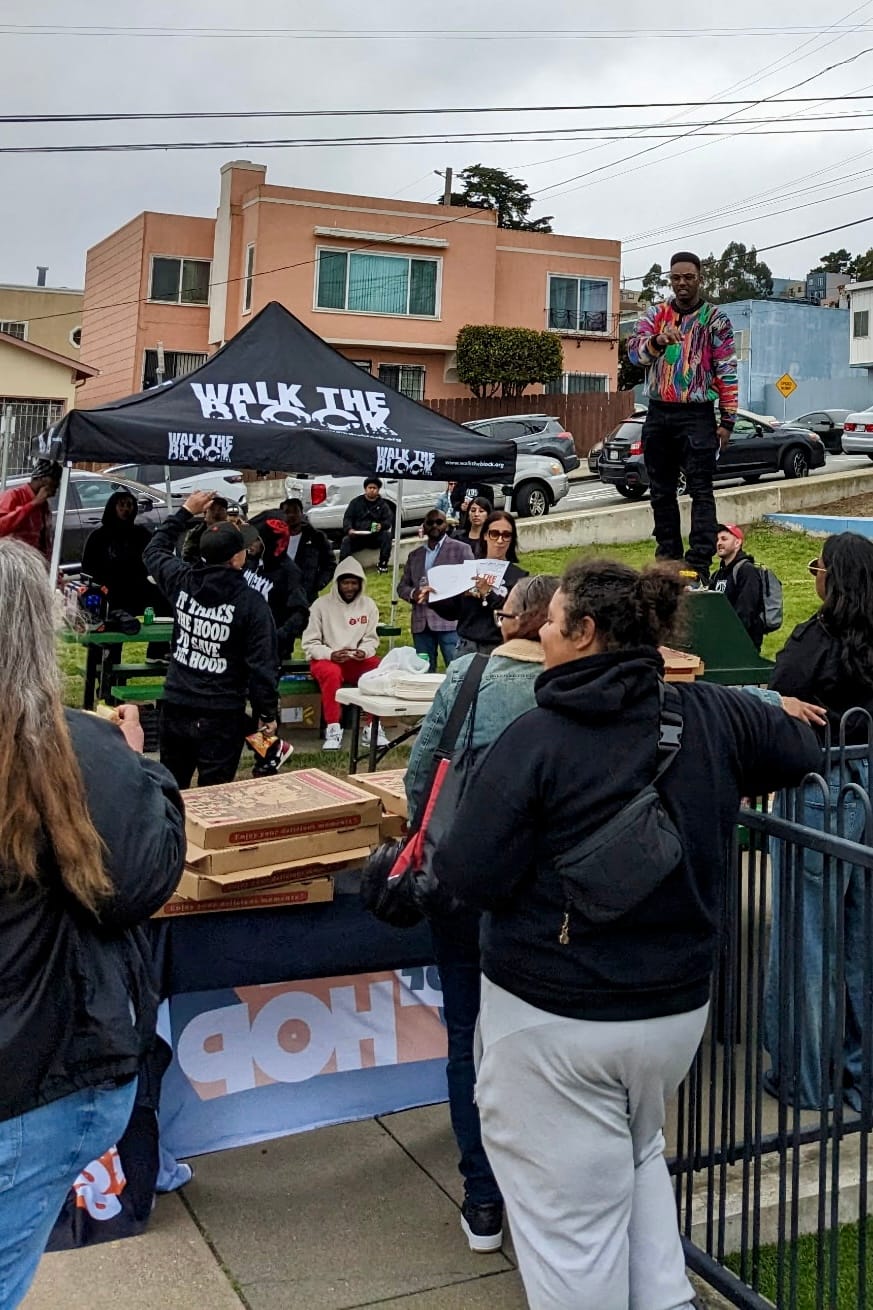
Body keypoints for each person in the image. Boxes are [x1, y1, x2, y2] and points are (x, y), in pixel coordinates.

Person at [432, 556, 819, 1310]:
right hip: (671, 1016)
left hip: (557, 1019)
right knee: (637, 1158)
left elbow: (466, 876)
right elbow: (799, 749)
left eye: (550, 620)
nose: (537, 631)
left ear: (583, 634)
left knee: (569, 1235)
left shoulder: (535, 740)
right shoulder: (713, 712)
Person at [0, 538, 185, 1309]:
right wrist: (142, 765)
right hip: (37, 1078)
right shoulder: (75, 751)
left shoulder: (70, 749)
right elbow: (141, 878)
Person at [405, 574, 560, 1255]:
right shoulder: (570, 687)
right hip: (543, 894)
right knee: (546, 1041)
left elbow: (419, 775)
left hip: (463, 884)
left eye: (503, 610)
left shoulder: (467, 677)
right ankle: (537, 1191)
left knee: (467, 1034)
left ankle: (483, 1196)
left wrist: (427, 839)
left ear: (520, 620)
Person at [764, 533, 873, 1111]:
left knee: (808, 936)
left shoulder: (816, 639)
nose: (813, 576)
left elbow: (777, 691)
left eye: (816, 567)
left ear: (831, 576)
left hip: (823, 787)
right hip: (864, 781)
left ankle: (806, 1077)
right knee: (861, 937)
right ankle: (862, 1077)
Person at [143, 490, 279, 789]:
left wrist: (184, 512)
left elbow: (153, 551)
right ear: (235, 558)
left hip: (177, 705)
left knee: (171, 791)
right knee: (215, 798)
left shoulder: (182, 580)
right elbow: (262, 666)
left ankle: (172, 837)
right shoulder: (252, 604)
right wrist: (266, 714)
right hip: (221, 715)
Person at [627, 251, 738, 585]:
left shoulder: (715, 319)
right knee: (660, 491)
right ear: (670, 280)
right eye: (676, 278)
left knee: (701, 490)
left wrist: (727, 420)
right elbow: (634, 354)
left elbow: (727, 371)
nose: (682, 283)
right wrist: (658, 340)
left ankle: (699, 562)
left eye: (688, 277)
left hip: (698, 413)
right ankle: (668, 558)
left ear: (699, 278)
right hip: (659, 412)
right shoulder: (655, 315)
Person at [301, 557, 386, 751]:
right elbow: (310, 643)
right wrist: (330, 654)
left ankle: (373, 726)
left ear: (360, 584)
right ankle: (333, 728)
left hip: (355, 659)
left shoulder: (368, 605)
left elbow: (371, 639)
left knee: (377, 668)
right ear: (337, 582)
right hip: (326, 659)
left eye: (354, 583)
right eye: (345, 582)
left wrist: (363, 651)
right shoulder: (320, 605)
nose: (349, 588)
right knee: (331, 674)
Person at [430, 510, 527, 656]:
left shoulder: (518, 576)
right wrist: (433, 598)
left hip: (498, 647)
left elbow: (514, 615)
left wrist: (488, 593)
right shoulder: (469, 569)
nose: (500, 540)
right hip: (466, 646)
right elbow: (454, 612)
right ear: (485, 536)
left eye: (506, 535)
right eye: (494, 534)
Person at [397, 510, 472, 672]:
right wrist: (414, 594)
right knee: (423, 673)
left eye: (439, 522)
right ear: (424, 526)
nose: (434, 526)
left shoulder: (461, 549)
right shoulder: (415, 555)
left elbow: (470, 581)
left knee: (457, 671)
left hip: (450, 623)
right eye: (430, 523)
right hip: (421, 623)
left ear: (446, 524)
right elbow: (402, 587)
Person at [242, 518, 310, 661]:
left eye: (255, 540)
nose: (250, 544)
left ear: (268, 543)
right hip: (244, 644)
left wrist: (277, 636)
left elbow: (300, 612)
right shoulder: (251, 562)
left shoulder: (288, 572)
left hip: (272, 652)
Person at [81, 489, 155, 617]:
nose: (125, 509)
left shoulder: (141, 534)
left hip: (137, 596)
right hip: (108, 597)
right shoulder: (99, 536)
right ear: (112, 507)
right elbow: (88, 568)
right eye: (121, 505)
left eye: (129, 505)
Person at [254, 499, 335, 605]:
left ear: (301, 513)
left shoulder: (316, 537)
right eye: (287, 512)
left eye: (295, 511)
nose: (292, 515)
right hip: (278, 596)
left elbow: (329, 564)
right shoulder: (272, 539)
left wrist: (318, 583)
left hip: (306, 596)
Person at [707, 523, 764, 650]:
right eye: (717, 540)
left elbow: (747, 609)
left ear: (737, 543)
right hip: (719, 640)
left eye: (724, 539)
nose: (719, 543)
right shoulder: (717, 575)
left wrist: (732, 636)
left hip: (742, 643)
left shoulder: (747, 571)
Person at [0, 458, 60, 562]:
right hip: (11, 562)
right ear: (42, 478)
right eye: (54, 480)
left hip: (32, 562)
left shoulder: (44, 507)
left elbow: (45, 543)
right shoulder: (14, 496)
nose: (57, 485)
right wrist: (32, 504)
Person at [339, 477, 393, 574]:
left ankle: (383, 565)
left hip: (374, 537)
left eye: (374, 488)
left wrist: (381, 526)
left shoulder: (383, 505)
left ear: (378, 490)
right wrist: (349, 530)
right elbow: (347, 518)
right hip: (358, 536)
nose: (372, 490)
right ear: (365, 489)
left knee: (387, 536)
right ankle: (343, 568)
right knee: (346, 541)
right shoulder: (356, 502)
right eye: (370, 487)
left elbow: (388, 521)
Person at [181, 495, 228, 564]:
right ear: (205, 514)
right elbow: (187, 557)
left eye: (220, 509)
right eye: (212, 509)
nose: (216, 512)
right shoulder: (196, 533)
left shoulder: (231, 531)